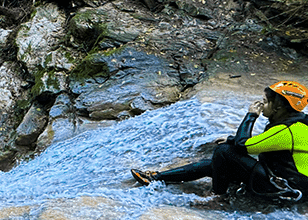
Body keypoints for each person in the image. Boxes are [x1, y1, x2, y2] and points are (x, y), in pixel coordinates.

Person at [131, 80, 308, 203]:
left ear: (279, 107)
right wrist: (232, 139)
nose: (262, 105)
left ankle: (218, 197)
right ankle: (156, 178)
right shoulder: (298, 123)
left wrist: (251, 116)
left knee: (224, 152)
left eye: (265, 102)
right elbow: (264, 143)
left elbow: (244, 146)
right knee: (215, 164)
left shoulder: (286, 130)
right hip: (287, 181)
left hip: (286, 189)